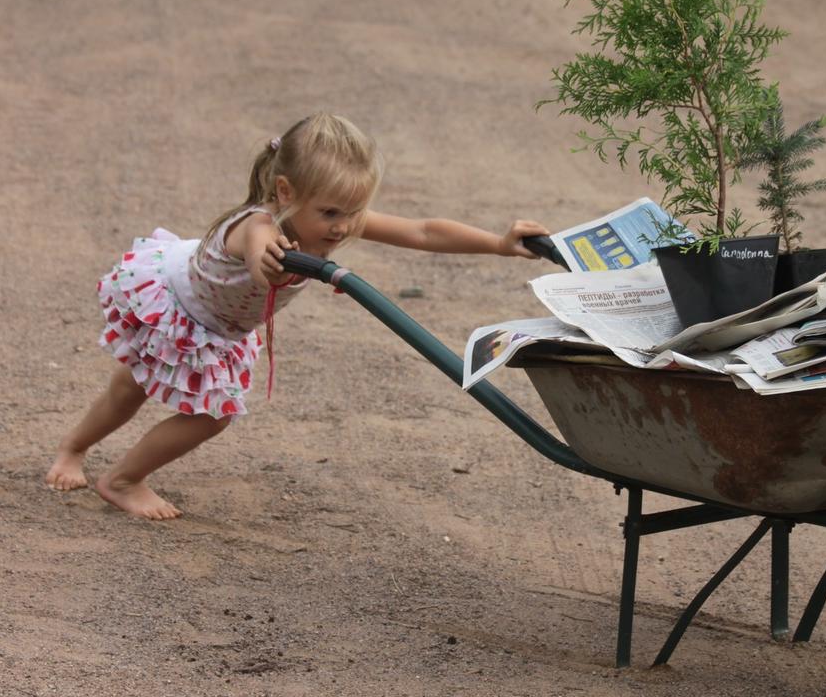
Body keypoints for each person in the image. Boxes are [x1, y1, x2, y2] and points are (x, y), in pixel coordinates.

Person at [46, 112, 548, 520]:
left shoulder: (333, 213)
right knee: (156, 397)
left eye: (353, 212)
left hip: (218, 323)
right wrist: (269, 264)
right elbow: (259, 253)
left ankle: (110, 468)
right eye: (331, 213)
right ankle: (101, 466)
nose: (344, 226)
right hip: (179, 306)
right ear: (285, 193)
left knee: (185, 406)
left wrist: (499, 244)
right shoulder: (258, 225)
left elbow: (422, 231)